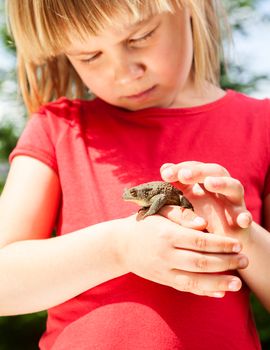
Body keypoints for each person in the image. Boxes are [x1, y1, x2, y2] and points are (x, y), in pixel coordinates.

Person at [1, 0, 269, 349]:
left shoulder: (260, 126)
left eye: (140, 36)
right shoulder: (57, 128)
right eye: (90, 55)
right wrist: (118, 248)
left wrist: (242, 234)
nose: (125, 71)